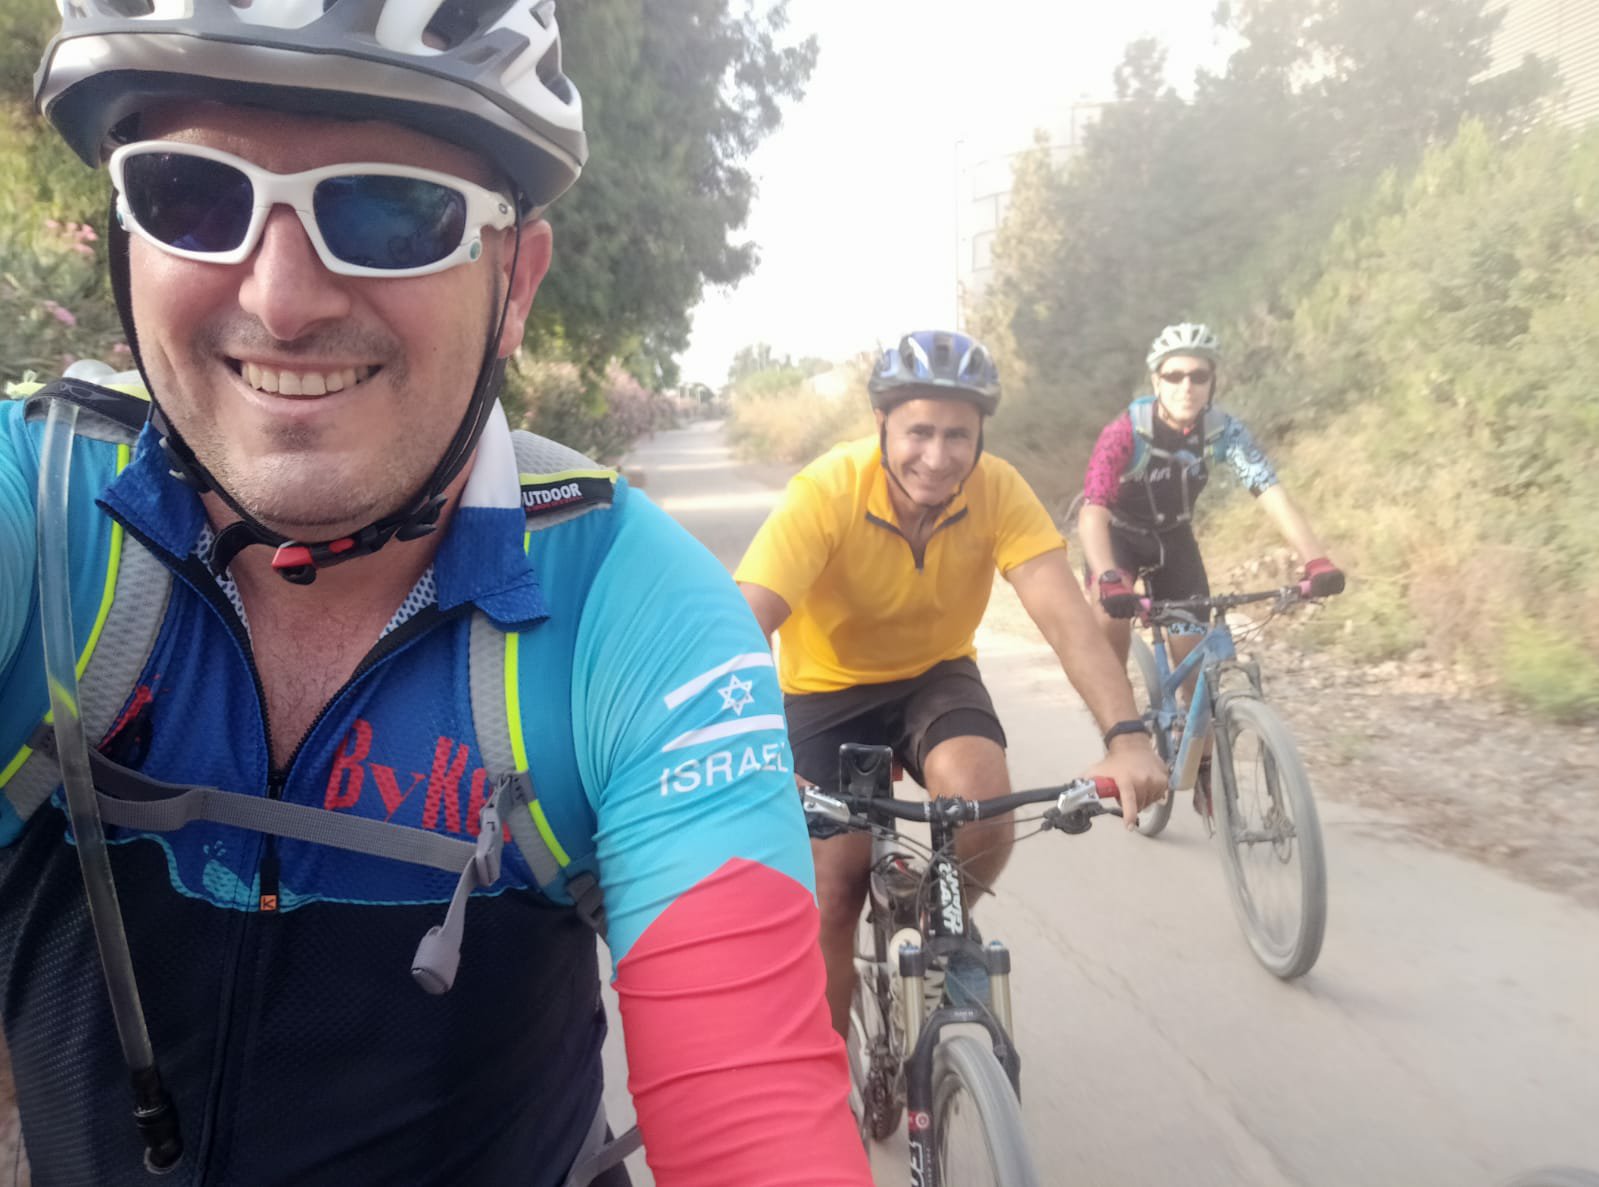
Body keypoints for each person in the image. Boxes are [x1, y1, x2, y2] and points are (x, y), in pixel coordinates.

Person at [0, 2, 871, 1184]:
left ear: (516, 283)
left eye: (389, 211)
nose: (283, 298)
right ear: (124, 231)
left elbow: (756, 1124)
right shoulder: (39, 514)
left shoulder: (628, 611)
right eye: (191, 196)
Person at [734, 329, 1168, 1036]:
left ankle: (942, 919)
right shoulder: (826, 492)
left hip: (934, 677)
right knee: (833, 892)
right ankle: (824, 1087)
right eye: (919, 432)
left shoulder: (998, 490)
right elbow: (739, 627)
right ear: (881, 424)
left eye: (957, 436)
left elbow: (1066, 619)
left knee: (982, 805)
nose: (936, 458)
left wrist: (1127, 737)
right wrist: (753, 749)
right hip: (824, 693)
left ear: (980, 436)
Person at [1076, 322, 1345, 810]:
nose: (1187, 386)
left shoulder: (1222, 431)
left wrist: (1315, 558)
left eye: (1198, 376)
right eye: (1174, 375)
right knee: (1105, 621)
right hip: (1119, 540)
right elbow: (1093, 510)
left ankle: (1200, 764)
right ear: (1156, 380)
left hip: (1174, 540)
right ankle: (1119, 733)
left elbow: (1268, 489)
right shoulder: (1126, 432)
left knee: (1196, 662)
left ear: (1211, 381)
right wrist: (1109, 577)